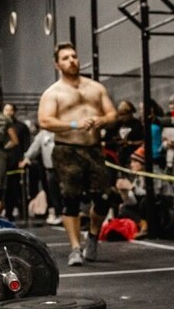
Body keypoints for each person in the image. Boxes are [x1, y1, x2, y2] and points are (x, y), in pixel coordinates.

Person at [37, 42, 117, 265]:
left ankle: (92, 236)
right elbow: (44, 121)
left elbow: (112, 114)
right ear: (57, 64)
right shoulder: (53, 93)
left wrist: (101, 120)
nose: (71, 60)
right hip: (67, 150)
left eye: (74, 56)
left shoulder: (95, 88)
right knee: (70, 199)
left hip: (93, 149)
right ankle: (75, 248)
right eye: (65, 58)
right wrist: (74, 124)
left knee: (104, 198)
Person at [2, 102, 31, 221]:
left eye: (10, 110)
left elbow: (26, 143)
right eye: (6, 110)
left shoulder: (21, 126)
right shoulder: (1, 125)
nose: (8, 112)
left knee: (19, 188)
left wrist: (24, 158)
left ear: (14, 111)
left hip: (17, 160)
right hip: (4, 161)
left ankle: (23, 212)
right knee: (6, 188)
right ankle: (8, 212)